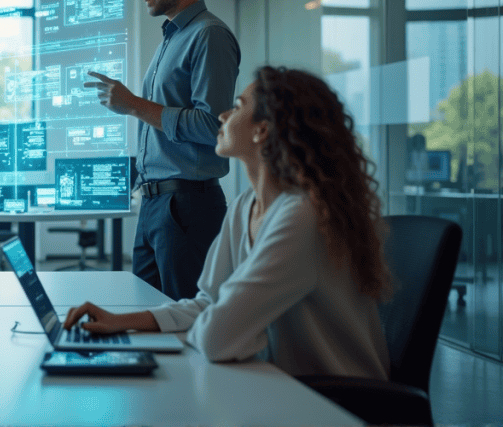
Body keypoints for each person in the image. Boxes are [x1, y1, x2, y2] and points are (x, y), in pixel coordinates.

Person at [65, 66, 391, 379]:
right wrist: (122, 322)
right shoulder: (244, 207)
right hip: (281, 386)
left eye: (237, 107)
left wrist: (232, 329)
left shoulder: (302, 215)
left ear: (262, 130)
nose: (222, 116)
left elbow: (217, 338)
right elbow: (208, 303)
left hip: (337, 404)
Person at [84, 0, 240, 299]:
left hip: (187, 207)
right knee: (149, 315)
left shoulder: (209, 35)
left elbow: (213, 126)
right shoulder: (171, 40)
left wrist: (133, 104)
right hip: (155, 205)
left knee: (181, 322)